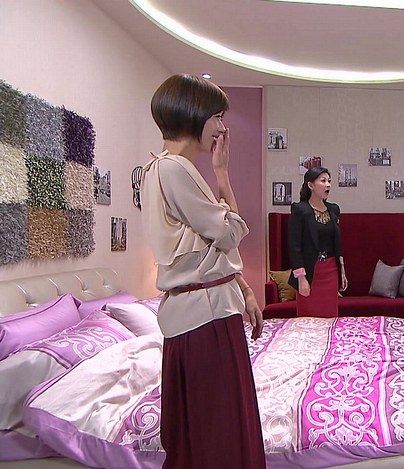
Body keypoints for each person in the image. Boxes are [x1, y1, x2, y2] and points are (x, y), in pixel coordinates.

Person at [140, 74, 265, 468]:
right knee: (220, 432)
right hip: (205, 317)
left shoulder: (158, 169)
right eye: (217, 117)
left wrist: (244, 289)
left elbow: (209, 250)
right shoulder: (175, 168)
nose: (222, 128)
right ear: (194, 115)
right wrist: (223, 175)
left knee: (207, 430)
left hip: (203, 311)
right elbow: (231, 232)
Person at [288, 167, 347, 317]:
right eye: (323, 181)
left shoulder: (334, 209)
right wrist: (301, 278)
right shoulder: (300, 210)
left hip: (331, 271)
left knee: (330, 316)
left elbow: (337, 244)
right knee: (308, 319)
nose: (328, 185)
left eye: (329, 181)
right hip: (310, 272)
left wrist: (342, 272)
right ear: (310, 185)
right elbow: (295, 247)